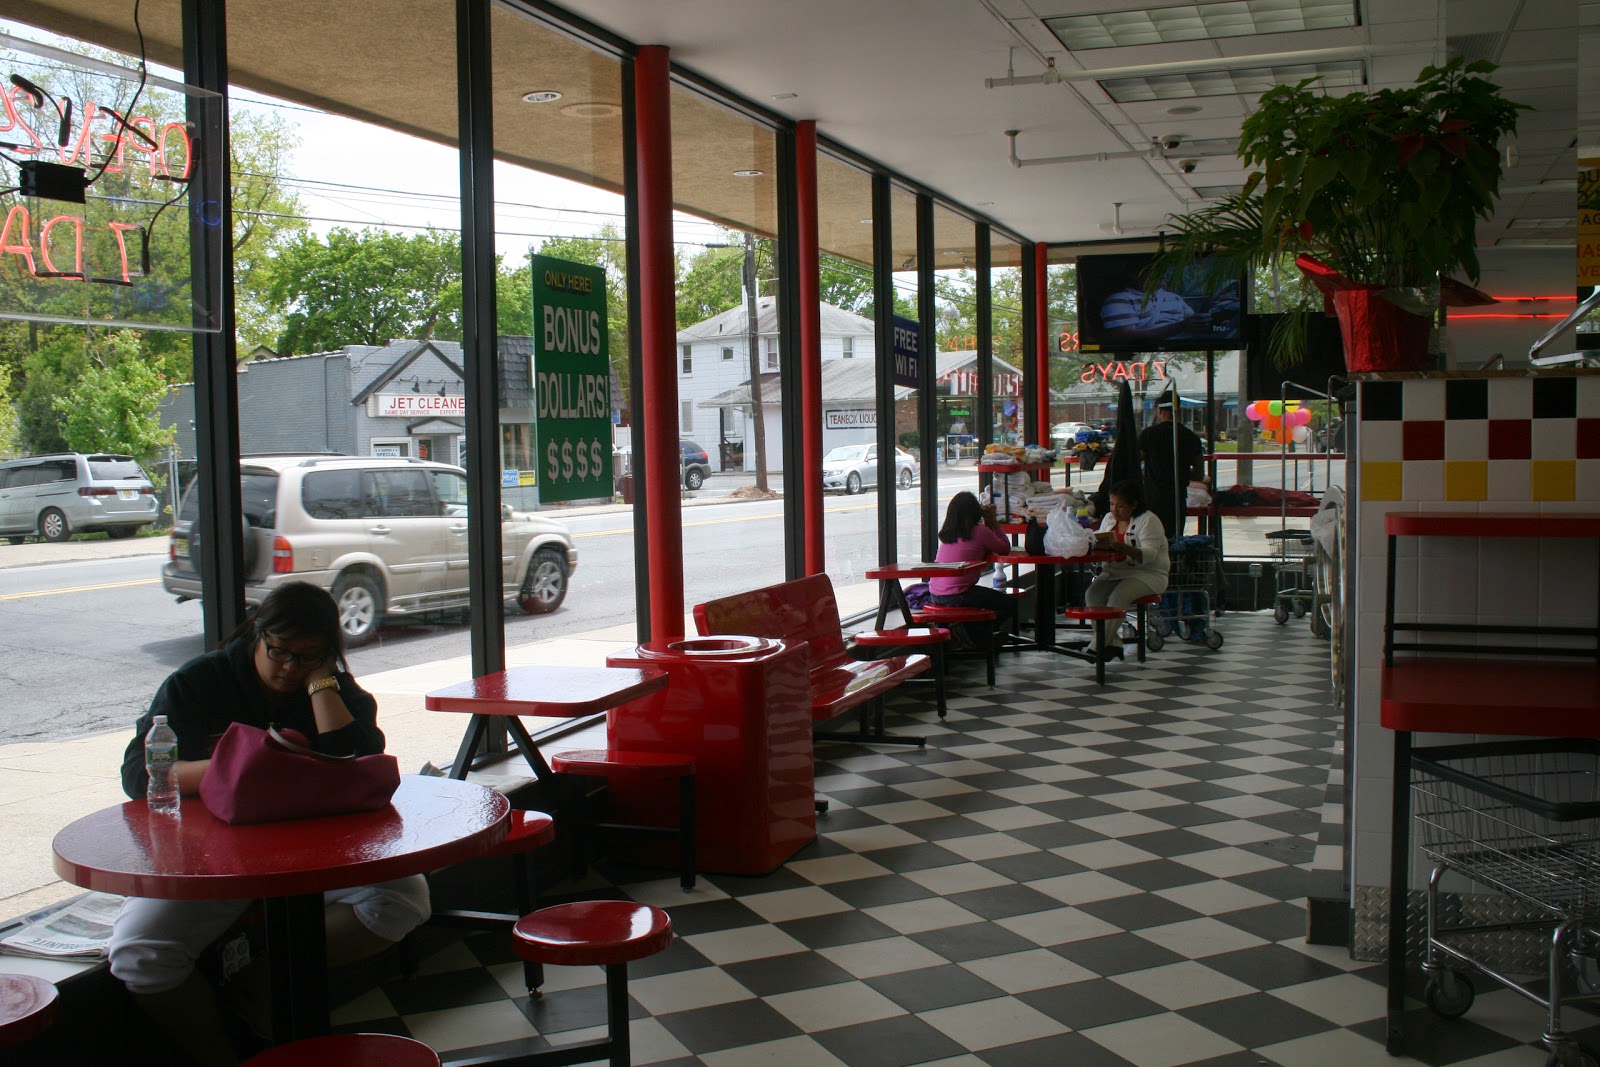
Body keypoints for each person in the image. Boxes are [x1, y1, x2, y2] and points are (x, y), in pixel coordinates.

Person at [109, 582, 430, 1066]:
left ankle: (258, 977)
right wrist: (233, 769)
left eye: (307, 657)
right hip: (214, 856)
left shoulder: (331, 690)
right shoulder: (202, 681)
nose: (288, 668)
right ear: (258, 635)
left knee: (405, 899)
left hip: (315, 850)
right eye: (279, 651)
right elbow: (140, 775)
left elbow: (363, 760)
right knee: (139, 954)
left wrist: (323, 682)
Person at [1085, 480, 1170, 663]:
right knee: (1093, 595)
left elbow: (1149, 554)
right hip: (1115, 572)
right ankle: (1112, 643)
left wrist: (1121, 547)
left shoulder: (1148, 520)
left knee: (1119, 596)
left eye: (1121, 506)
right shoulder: (1109, 519)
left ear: (1134, 505)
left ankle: (1097, 646)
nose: (1115, 510)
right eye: (1112, 504)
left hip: (1148, 574)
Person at [929, 490, 1016, 647]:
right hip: (959, 594)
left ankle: (973, 636)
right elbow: (1004, 548)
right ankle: (981, 639)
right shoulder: (980, 531)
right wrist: (994, 523)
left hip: (936, 594)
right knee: (1009, 604)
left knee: (980, 601)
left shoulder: (948, 534)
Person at [1139, 395, 1206, 537]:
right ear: (1178, 410)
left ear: (1160, 410)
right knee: (1174, 539)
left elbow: (1135, 461)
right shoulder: (1191, 437)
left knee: (1151, 538)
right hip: (1177, 498)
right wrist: (1181, 474)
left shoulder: (1148, 435)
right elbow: (1199, 474)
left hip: (1153, 498)